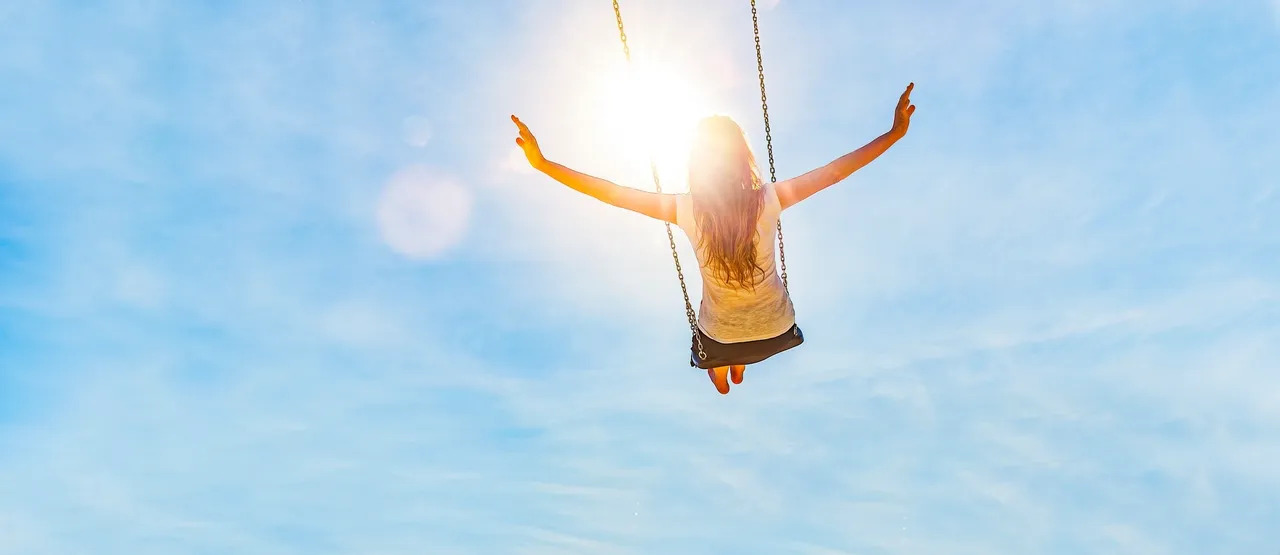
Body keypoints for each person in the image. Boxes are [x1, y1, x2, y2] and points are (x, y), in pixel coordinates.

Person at [511, 83, 916, 394]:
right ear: (743, 160)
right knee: (737, 331)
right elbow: (835, 171)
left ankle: (730, 366)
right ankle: (739, 361)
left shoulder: (686, 209)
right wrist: (894, 133)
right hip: (777, 329)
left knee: (721, 379)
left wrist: (544, 164)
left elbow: (610, 192)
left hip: (720, 336)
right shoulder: (769, 199)